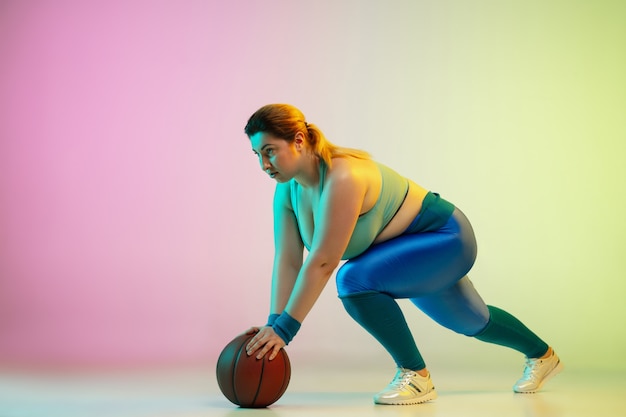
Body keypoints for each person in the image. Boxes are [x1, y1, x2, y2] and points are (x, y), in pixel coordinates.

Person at [243, 103, 562, 405]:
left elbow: (324, 261)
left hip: (445, 238)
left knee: (353, 279)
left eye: (270, 152)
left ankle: (416, 375)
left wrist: (285, 330)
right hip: (405, 252)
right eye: (258, 155)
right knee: (472, 320)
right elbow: (288, 258)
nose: (263, 165)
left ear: (298, 140)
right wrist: (273, 323)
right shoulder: (287, 189)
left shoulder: (342, 176)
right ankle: (543, 356)